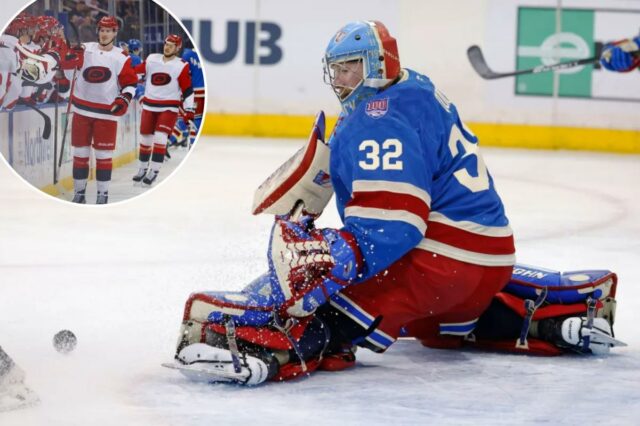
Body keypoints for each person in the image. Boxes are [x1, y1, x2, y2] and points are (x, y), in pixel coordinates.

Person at [169, 21, 623, 386]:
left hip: (440, 265)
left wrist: (329, 259)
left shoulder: (377, 119)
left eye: (351, 68)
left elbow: (395, 227)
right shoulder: (415, 88)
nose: (343, 81)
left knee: (320, 299)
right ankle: (540, 314)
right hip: (488, 263)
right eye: (337, 70)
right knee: (423, 318)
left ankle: (263, 345)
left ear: (378, 65)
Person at [69, 16, 137, 204]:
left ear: (115, 33)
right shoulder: (85, 48)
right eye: (102, 30)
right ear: (98, 31)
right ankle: (79, 193)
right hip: (82, 110)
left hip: (106, 114)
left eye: (109, 30)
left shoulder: (121, 57)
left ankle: (102, 195)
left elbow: (130, 84)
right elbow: (69, 70)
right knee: (80, 154)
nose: (105, 33)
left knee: (103, 156)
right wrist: (69, 57)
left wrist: (123, 99)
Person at [131, 34, 193, 185]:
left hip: (169, 107)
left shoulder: (181, 65)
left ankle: (154, 171)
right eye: (166, 43)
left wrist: (189, 109)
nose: (167, 47)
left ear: (178, 48)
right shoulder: (152, 58)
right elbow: (136, 72)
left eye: (171, 45)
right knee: (145, 139)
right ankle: (142, 168)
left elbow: (187, 90)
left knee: (160, 138)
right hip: (149, 105)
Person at [167, 47, 204, 151]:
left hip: (194, 93)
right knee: (192, 120)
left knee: (192, 120)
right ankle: (169, 142)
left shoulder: (187, 55)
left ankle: (169, 142)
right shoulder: (192, 55)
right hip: (196, 94)